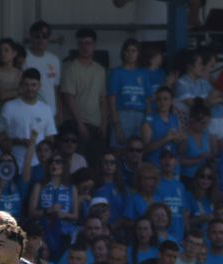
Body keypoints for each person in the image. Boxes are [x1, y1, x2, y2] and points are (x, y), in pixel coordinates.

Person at [60, 28, 107, 164]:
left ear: (94, 45)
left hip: (96, 127)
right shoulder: (70, 68)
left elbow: (103, 99)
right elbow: (68, 98)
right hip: (76, 125)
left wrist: (104, 124)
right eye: (81, 43)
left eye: (88, 43)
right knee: (77, 165)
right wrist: (80, 125)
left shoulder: (100, 70)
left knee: (96, 165)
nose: (85, 47)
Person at [1, 68, 56, 172]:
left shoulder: (46, 109)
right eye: (26, 84)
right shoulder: (8, 107)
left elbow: (50, 138)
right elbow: (1, 138)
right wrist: (19, 141)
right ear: (21, 85)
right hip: (15, 166)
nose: (30, 88)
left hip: (39, 166)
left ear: (39, 86)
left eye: (33, 85)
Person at [107, 38, 149, 149]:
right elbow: (112, 100)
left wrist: (148, 122)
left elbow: (148, 100)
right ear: (123, 53)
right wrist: (117, 125)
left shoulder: (143, 74)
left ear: (138, 53)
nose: (130, 54)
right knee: (120, 151)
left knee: (139, 152)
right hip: (123, 116)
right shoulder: (117, 73)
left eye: (134, 50)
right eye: (128, 50)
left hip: (140, 117)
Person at [24, 20, 61, 119]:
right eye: (37, 36)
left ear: (48, 39)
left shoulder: (54, 60)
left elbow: (55, 88)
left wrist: (57, 112)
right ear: (31, 37)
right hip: (30, 111)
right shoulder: (24, 58)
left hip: (51, 113)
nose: (41, 40)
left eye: (44, 37)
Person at [0, 38, 22, 105]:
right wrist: (18, 91)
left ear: (14, 53)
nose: (2, 53)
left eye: (6, 50)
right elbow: (1, 95)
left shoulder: (20, 73)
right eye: (0, 51)